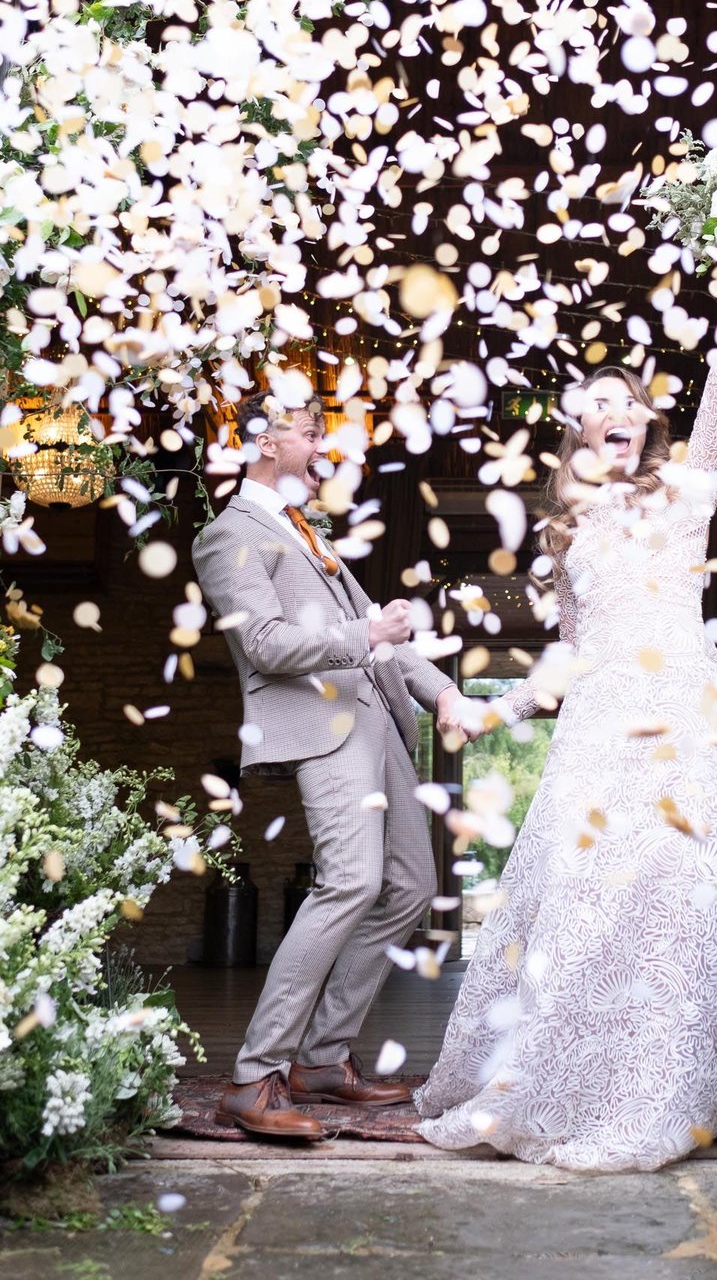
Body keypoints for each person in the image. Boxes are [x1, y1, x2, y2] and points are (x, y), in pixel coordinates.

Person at [414, 232, 717, 1171]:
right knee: (580, 896)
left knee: (677, 892)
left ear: (646, 423)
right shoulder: (565, 531)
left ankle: (670, 1083)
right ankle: (568, 1078)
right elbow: (570, 659)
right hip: (600, 722)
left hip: (685, 711)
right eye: (598, 403)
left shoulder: (687, 493)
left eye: (630, 400)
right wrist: (491, 713)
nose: (617, 411)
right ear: (576, 431)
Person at [193, 389, 477, 1140]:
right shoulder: (229, 535)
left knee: (410, 887)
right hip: (324, 726)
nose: (326, 448)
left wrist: (443, 692)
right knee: (351, 880)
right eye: (313, 434)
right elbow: (265, 644)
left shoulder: (304, 530)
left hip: (380, 722)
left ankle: (322, 1058)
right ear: (264, 441)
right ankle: (255, 1075)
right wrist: (365, 633)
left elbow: (377, 635)